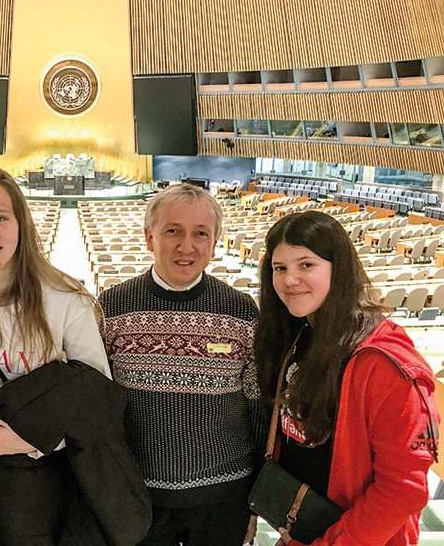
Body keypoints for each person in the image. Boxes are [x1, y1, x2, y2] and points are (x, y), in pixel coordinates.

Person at [0, 164, 147, 545]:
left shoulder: (66, 298)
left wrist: (37, 440)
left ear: (21, 223)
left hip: (44, 480)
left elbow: (97, 398)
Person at [254, 210, 439, 546]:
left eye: (306, 265)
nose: (289, 279)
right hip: (304, 527)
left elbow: (403, 490)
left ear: (338, 269)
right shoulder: (300, 334)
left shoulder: (384, 364)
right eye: (280, 268)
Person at [98, 183, 266, 546]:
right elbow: (97, 412)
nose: (187, 246)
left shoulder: (241, 311)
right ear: (149, 238)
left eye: (200, 234)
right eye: (173, 231)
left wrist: (254, 502)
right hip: (137, 500)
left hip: (224, 499)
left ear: (214, 241)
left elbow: (258, 412)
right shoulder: (110, 308)